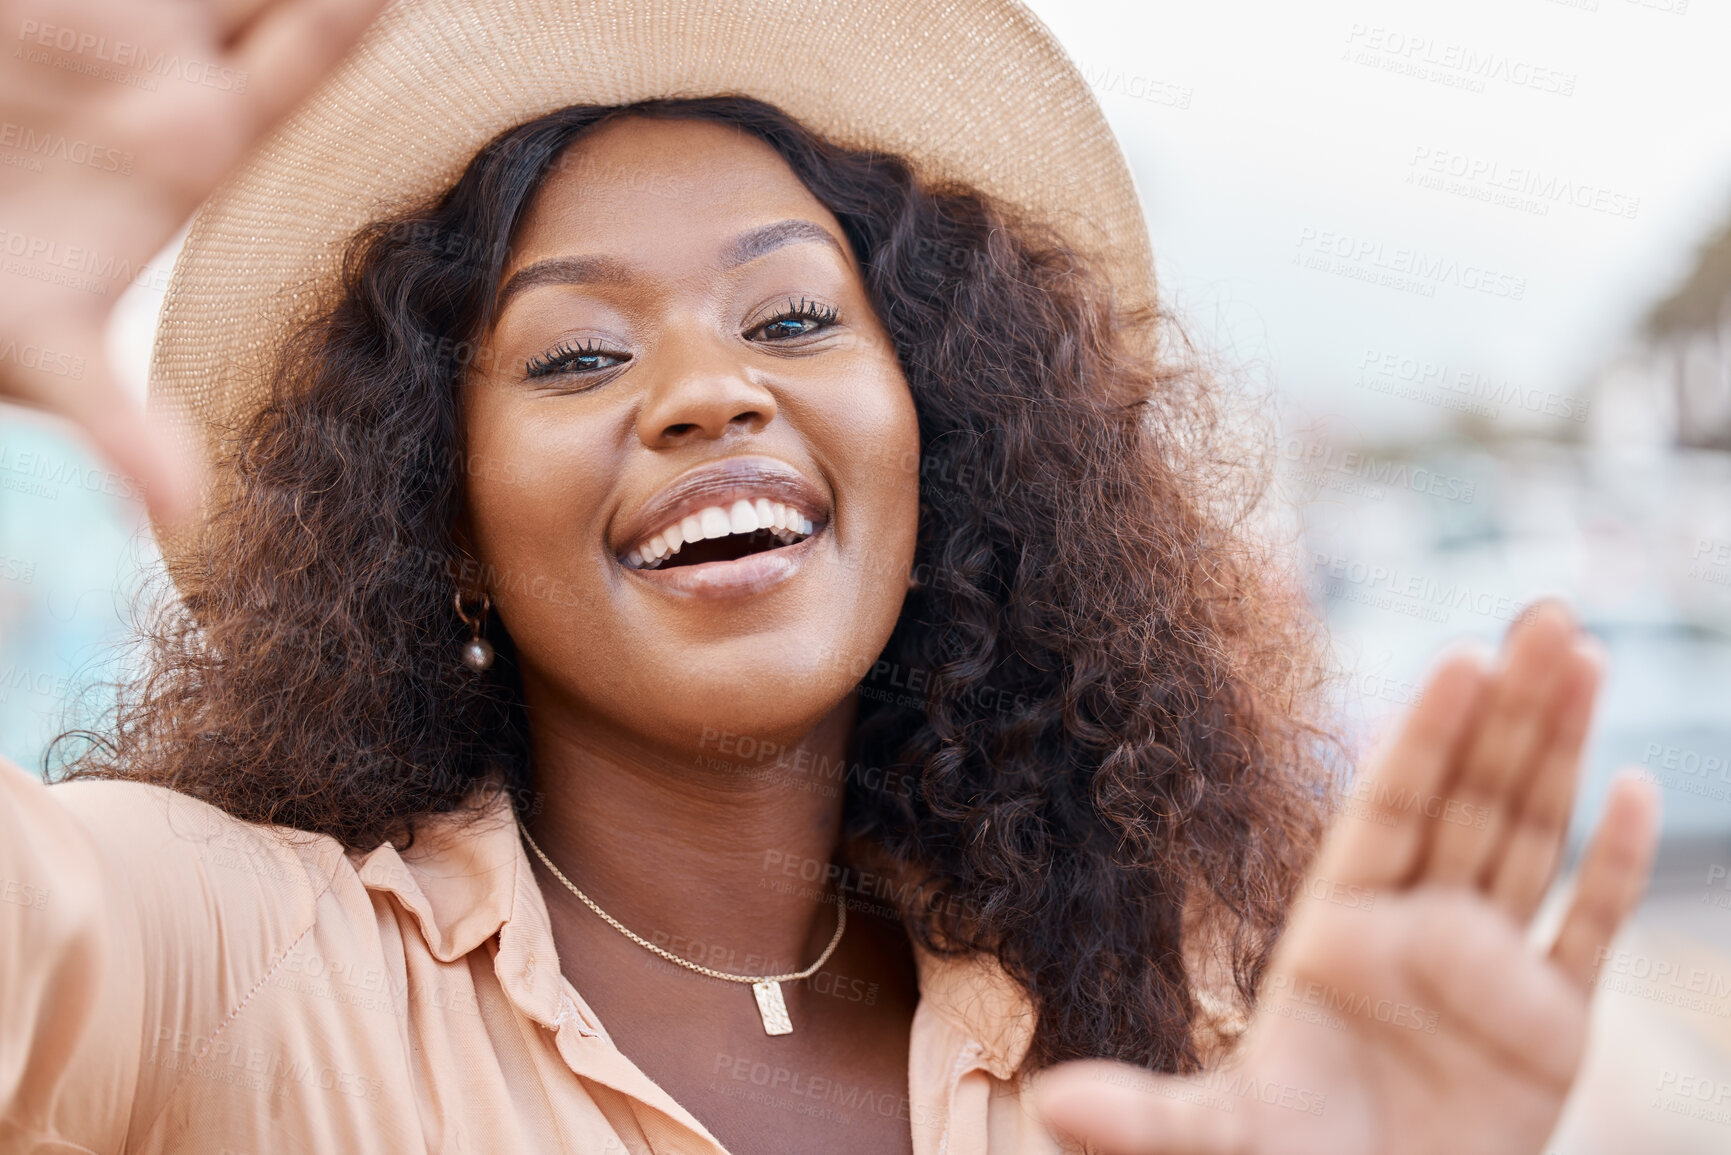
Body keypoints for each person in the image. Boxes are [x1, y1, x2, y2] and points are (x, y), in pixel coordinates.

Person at [0, 0, 1658, 1152]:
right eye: (577, 356)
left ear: (937, 439)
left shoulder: (1163, 1023)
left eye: (793, 318)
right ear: (440, 518)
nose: (711, 392)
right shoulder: (218, 957)